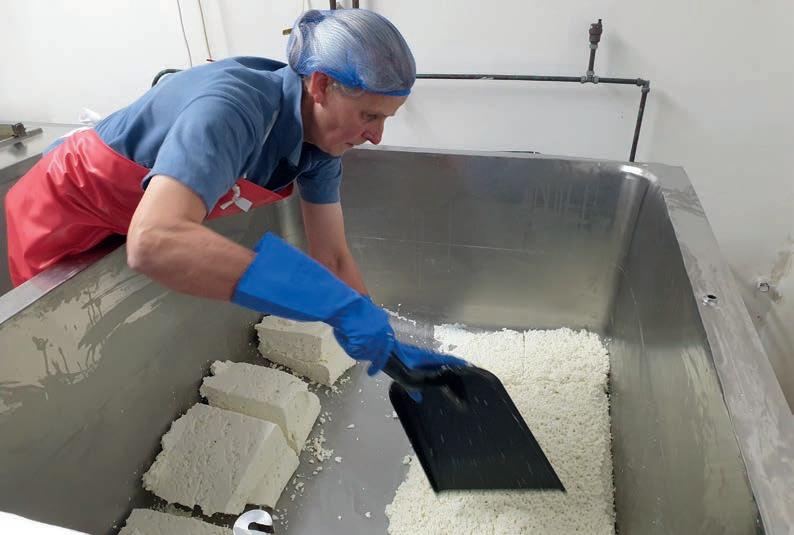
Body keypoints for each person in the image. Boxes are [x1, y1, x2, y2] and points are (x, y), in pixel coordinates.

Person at [4, 9, 463, 374]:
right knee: (56, 356)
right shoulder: (234, 106)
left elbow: (334, 258)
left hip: (134, 217)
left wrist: (389, 350)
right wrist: (323, 300)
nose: (377, 137)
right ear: (321, 85)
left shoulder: (321, 147)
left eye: (385, 119)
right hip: (65, 212)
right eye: (370, 116)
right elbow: (155, 241)